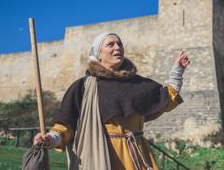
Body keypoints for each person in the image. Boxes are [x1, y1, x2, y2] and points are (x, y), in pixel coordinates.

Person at [34, 32, 190, 170]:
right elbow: (65, 125)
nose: (118, 47)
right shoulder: (83, 87)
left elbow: (167, 99)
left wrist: (177, 70)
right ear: (98, 54)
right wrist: (52, 139)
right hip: (100, 157)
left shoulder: (138, 84)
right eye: (111, 44)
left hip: (137, 156)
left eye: (120, 44)